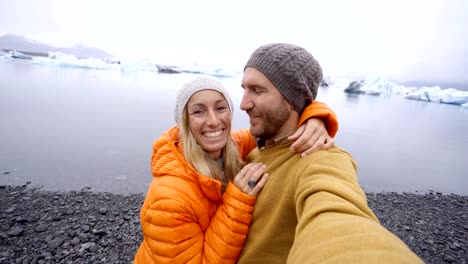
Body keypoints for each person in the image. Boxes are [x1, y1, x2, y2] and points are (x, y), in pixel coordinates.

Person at [236, 43, 423, 263]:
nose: (243, 104)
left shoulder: (320, 158)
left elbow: (338, 218)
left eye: (257, 90)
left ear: (292, 99)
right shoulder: (255, 149)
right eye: (244, 89)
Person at [133, 75, 339, 263]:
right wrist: (237, 201)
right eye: (198, 111)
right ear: (184, 122)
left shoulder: (231, 146)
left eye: (220, 108)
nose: (213, 121)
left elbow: (277, 123)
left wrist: (315, 118)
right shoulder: (168, 198)